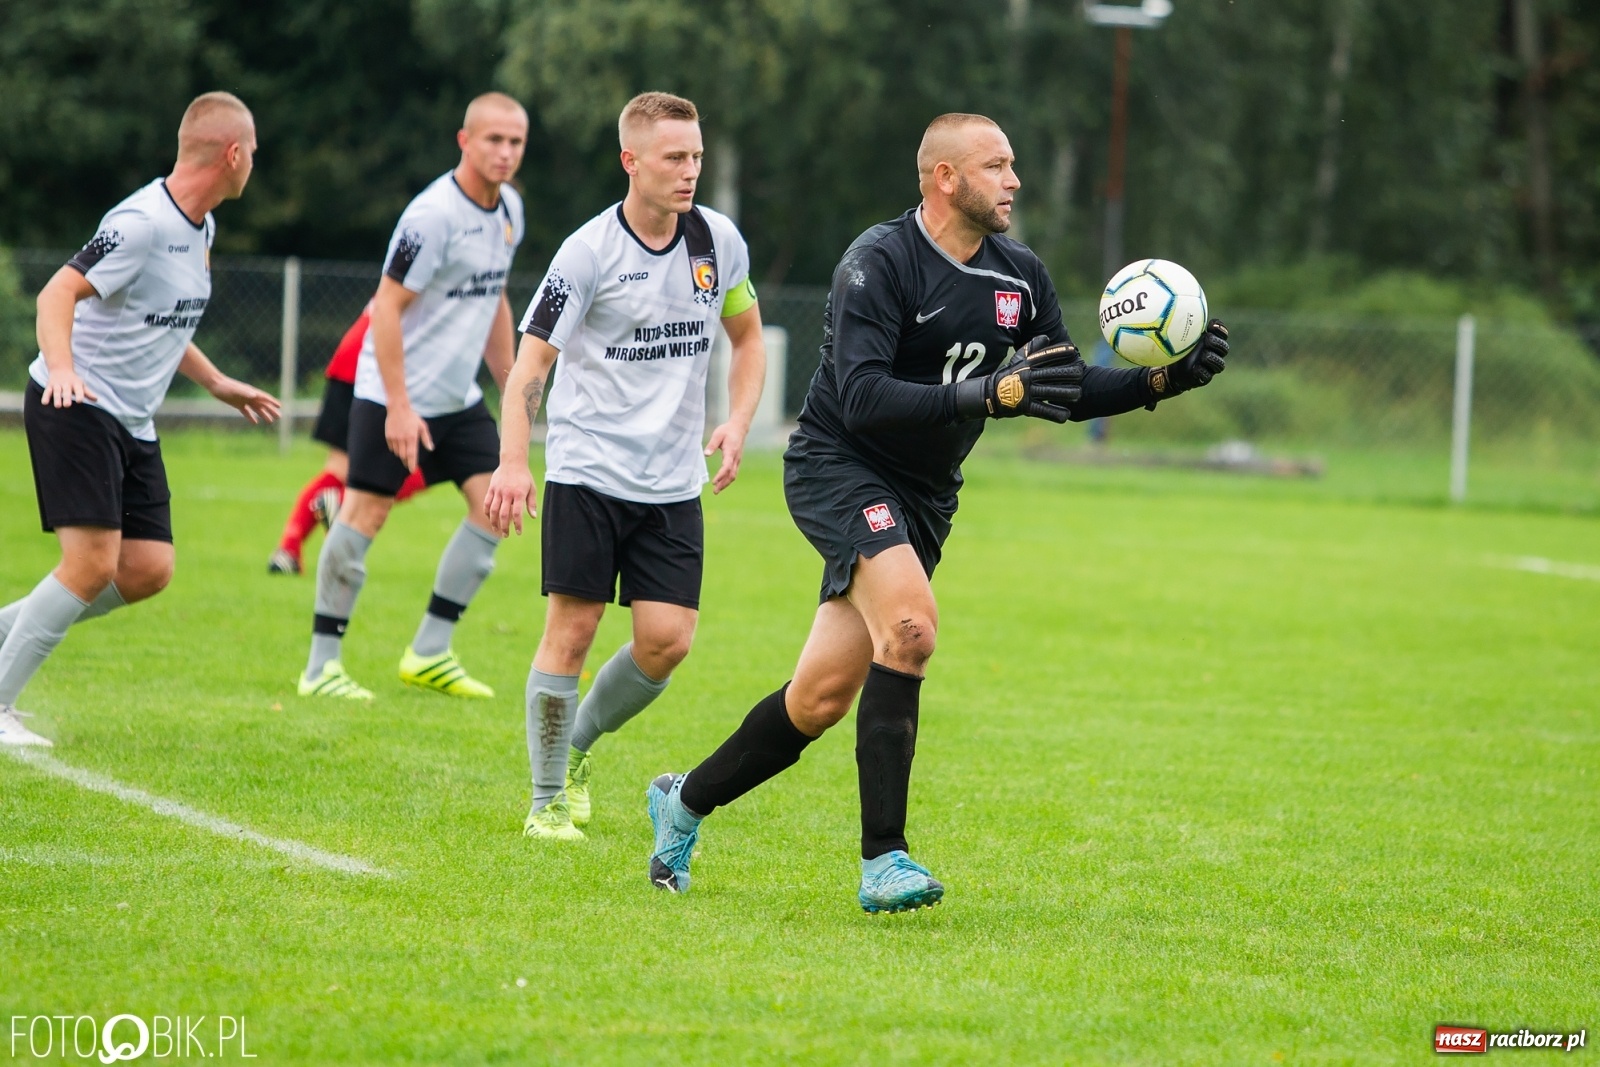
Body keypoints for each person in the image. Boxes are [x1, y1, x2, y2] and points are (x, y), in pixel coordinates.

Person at [642, 113, 1230, 911]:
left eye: (1015, 164)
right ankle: (885, 859)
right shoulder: (878, 262)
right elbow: (862, 395)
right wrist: (987, 392)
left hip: (923, 496)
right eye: (998, 165)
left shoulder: (1020, 275)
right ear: (945, 177)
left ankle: (683, 801)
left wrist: (1160, 382)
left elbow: (1062, 384)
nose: (1015, 180)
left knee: (817, 699)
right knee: (912, 628)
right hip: (838, 465)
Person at [484, 91, 765, 842]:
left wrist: (736, 421)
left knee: (667, 640)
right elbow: (528, 369)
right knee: (570, 631)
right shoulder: (587, 253)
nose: (690, 171)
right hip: (587, 470)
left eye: (697, 156)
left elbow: (749, 340)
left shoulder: (717, 242)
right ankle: (546, 800)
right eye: (674, 157)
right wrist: (515, 461)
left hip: (673, 481)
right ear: (630, 161)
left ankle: (573, 746)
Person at [0, 92, 279, 748]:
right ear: (232, 154)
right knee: (91, 563)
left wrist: (215, 382)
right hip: (77, 407)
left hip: (131, 419)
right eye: (254, 154)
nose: (254, 165)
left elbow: (161, 317)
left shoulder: (201, 227)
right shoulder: (141, 223)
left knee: (148, 567)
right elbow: (57, 292)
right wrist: (64, 368)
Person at [296, 92, 526, 701]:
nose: (505, 152)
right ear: (465, 141)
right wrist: (398, 405)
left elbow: (495, 297)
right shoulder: (431, 216)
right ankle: (321, 666)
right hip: (391, 397)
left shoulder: (511, 212)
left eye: (516, 142)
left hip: (459, 401)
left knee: (494, 509)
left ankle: (429, 651)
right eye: (494, 140)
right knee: (363, 513)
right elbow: (387, 309)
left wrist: (511, 382)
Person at [267, 304, 426, 576]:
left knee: (338, 469)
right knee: (425, 463)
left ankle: (288, 550)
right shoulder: (440, 270)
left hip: (350, 362)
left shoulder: (409, 266)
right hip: (375, 372)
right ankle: (341, 503)